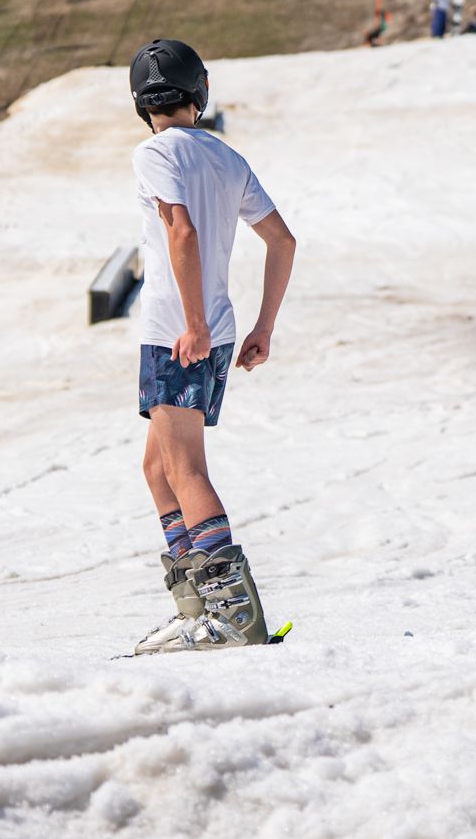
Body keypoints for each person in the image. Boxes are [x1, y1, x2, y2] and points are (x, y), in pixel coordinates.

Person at [127, 39, 297, 654]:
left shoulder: (153, 152)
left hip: (178, 334)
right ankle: (197, 606)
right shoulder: (226, 157)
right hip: (213, 332)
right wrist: (262, 327)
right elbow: (283, 241)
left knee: (184, 469)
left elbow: (181, 229)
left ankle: (236, 618)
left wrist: (193, 322)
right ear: (198, 92)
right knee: (157, 468)